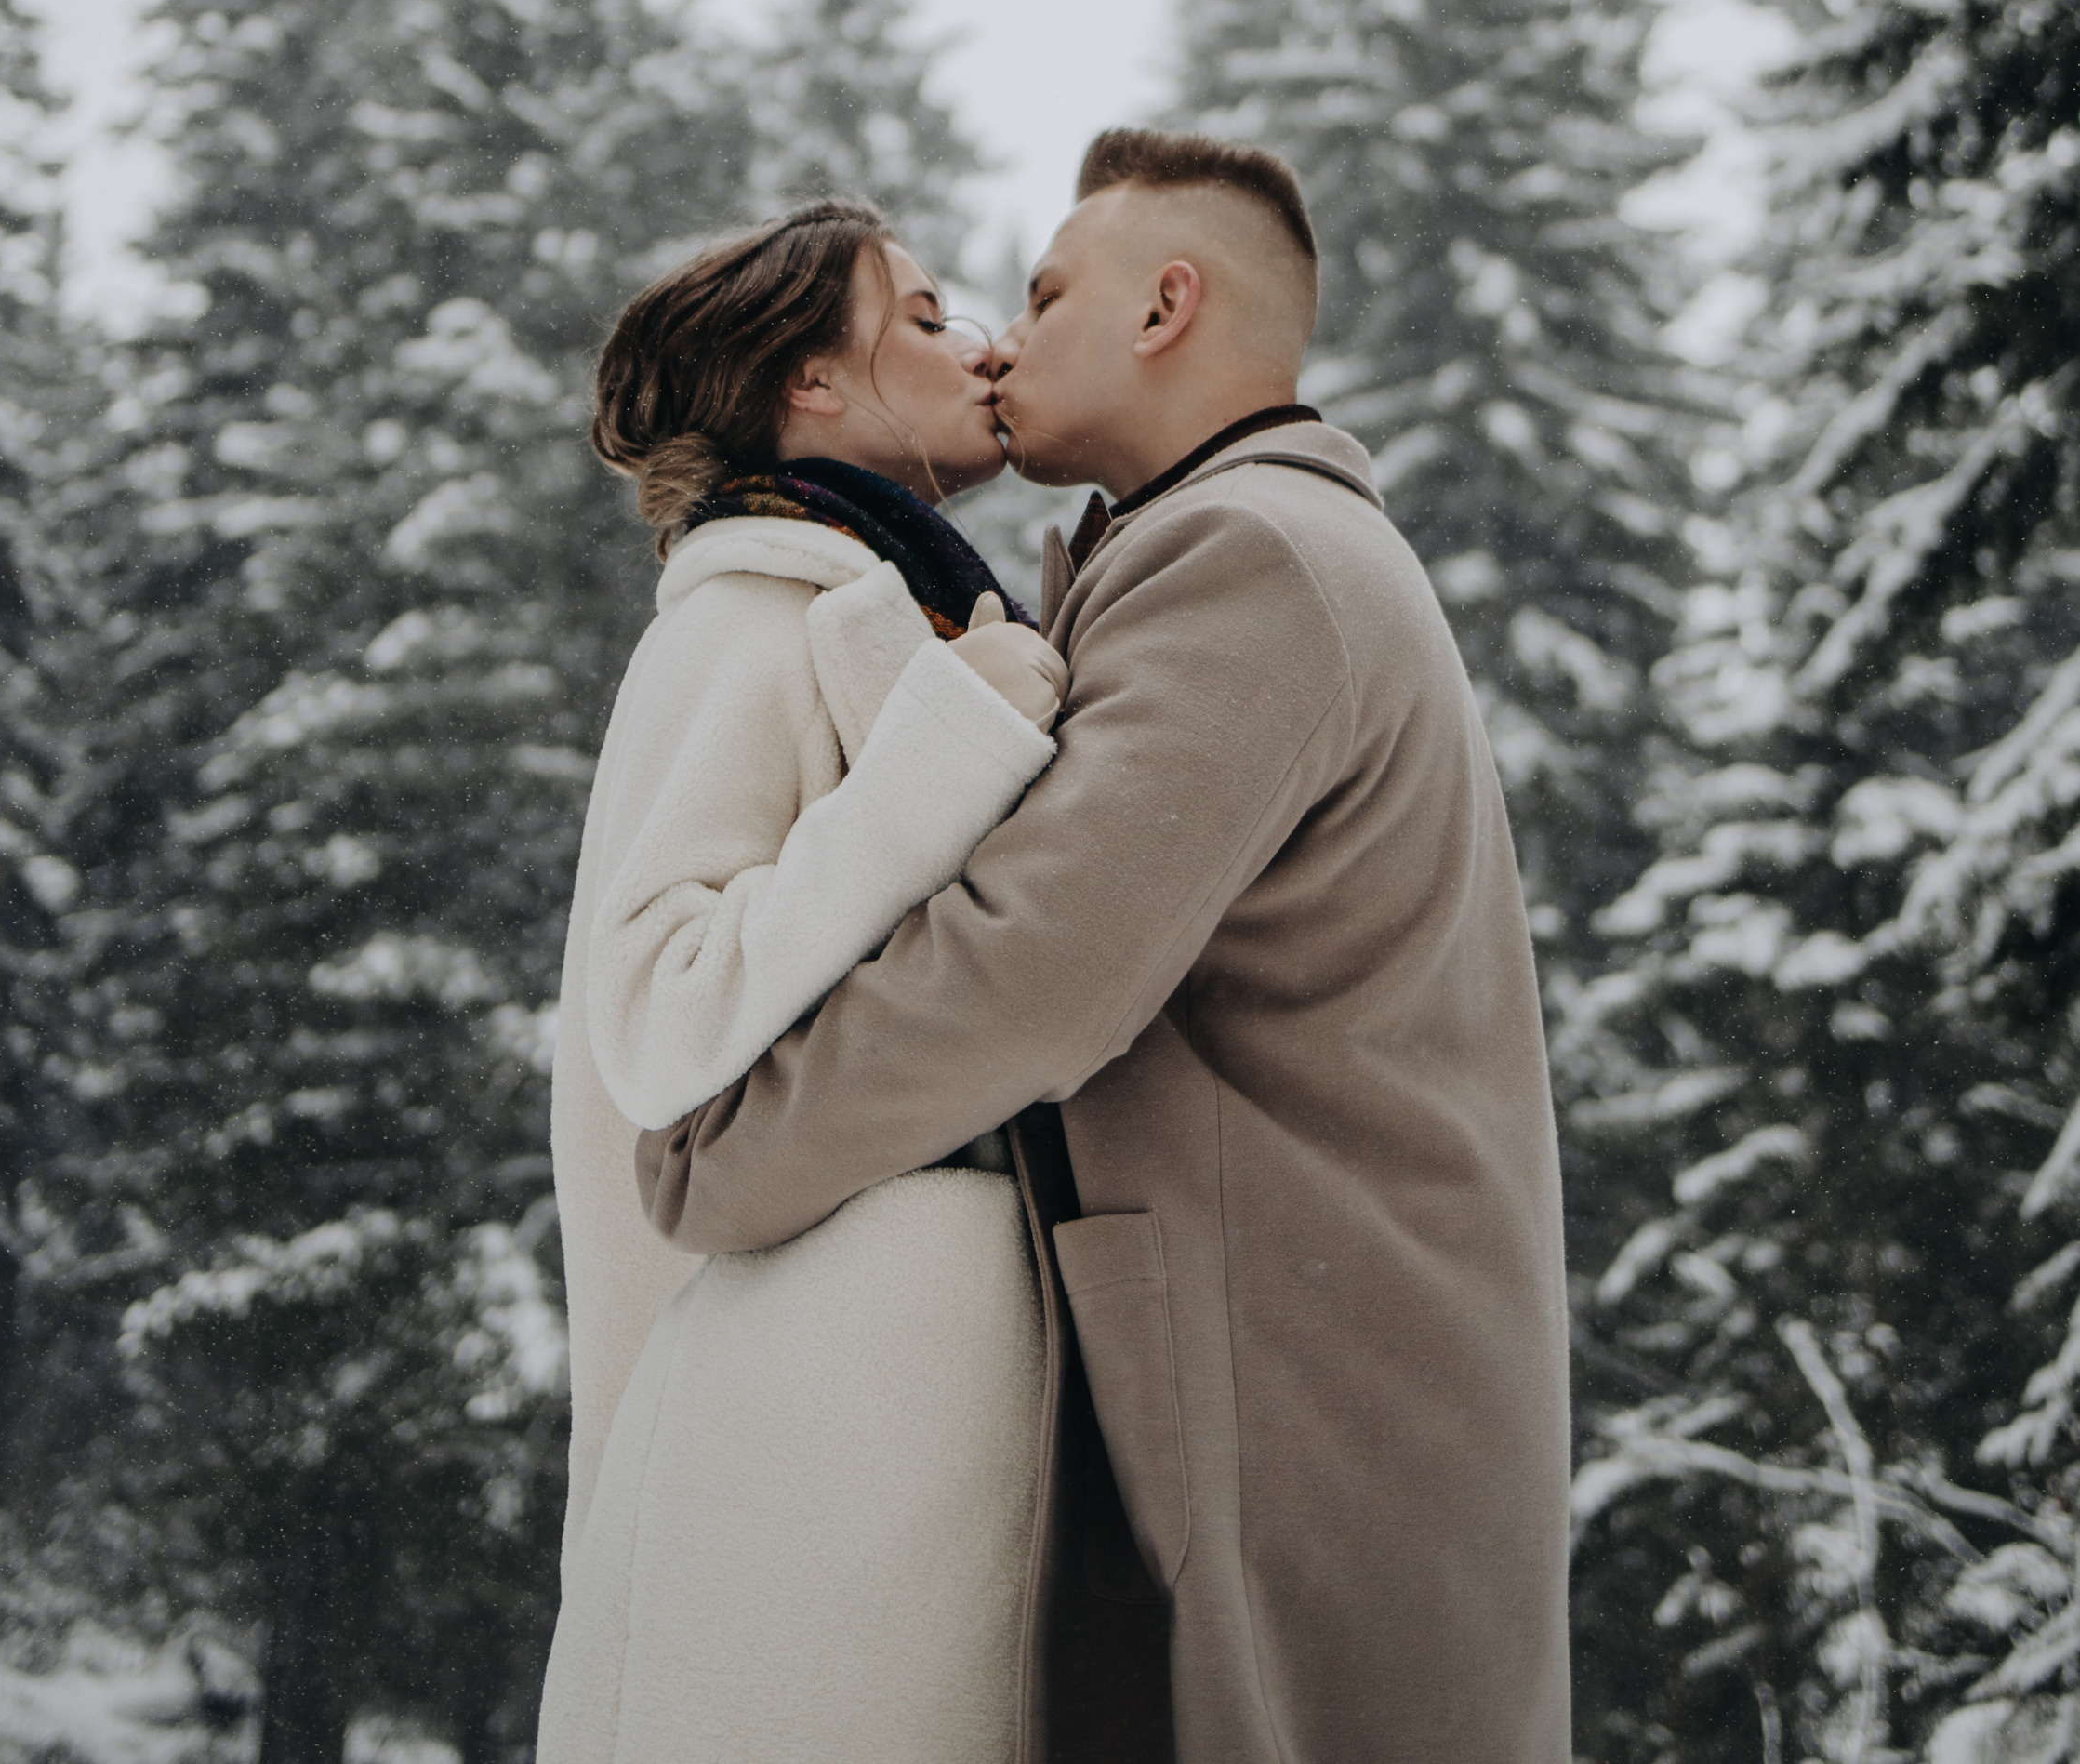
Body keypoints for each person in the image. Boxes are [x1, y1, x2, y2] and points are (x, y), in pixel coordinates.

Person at [641, 129, 1574, 1764]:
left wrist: (723, 1156)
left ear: (1165, 306)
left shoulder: (1251, 558)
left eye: (1046, 291)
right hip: (1302, 1364)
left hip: (1299, 1395)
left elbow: (1030, 969)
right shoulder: (1225, 549)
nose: (1005, 336)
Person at [537, 199, 1070, 1764]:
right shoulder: (750, 619)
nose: (975, 346)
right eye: (920, 317)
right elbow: (654, 1009)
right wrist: (949, 744)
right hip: (795, 1428)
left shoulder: (876, 591)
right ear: (810, 390)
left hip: (862, 1407)